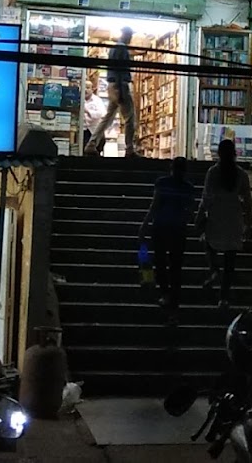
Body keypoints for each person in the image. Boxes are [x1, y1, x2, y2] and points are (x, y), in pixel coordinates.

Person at [198, 139, 252, 310]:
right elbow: (248, 201)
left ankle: (214, 270)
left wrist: (200, 214)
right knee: (230, 260)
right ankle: (224, 297)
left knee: (209, 244)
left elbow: (206, 197)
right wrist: (247, 222)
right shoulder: (241, 174)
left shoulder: (213, 172)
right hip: (233, 216)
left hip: (217, 214)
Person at [139, 157, 197, 310]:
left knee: (160, 261)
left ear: (171, 168)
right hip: (178, 229)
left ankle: (165, 292)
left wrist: (145, 224)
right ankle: (174, 295)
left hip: (161, 226)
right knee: (176, 264)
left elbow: (155, 205)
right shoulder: (188, 188)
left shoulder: (162, 183)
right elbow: (190, 211)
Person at [89, 27, 136, 157]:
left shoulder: (114, 49)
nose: (130, 38)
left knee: (108, 117)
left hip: (112, 85)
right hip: (120, 85)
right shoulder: (122, 49)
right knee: (130, 119)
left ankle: (91, 144)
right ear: (126, 35)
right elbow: (120, 70)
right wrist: (121, 89)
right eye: (130, 35)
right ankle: (129, 149)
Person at [81, 72, 106, 153]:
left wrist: (87, 111)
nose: (85, 90)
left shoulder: (97, 100)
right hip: (83, 130)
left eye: (88, 88)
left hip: (95, 130)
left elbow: (101, 114)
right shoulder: (79, 100)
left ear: (92, 89)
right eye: (84, 87)